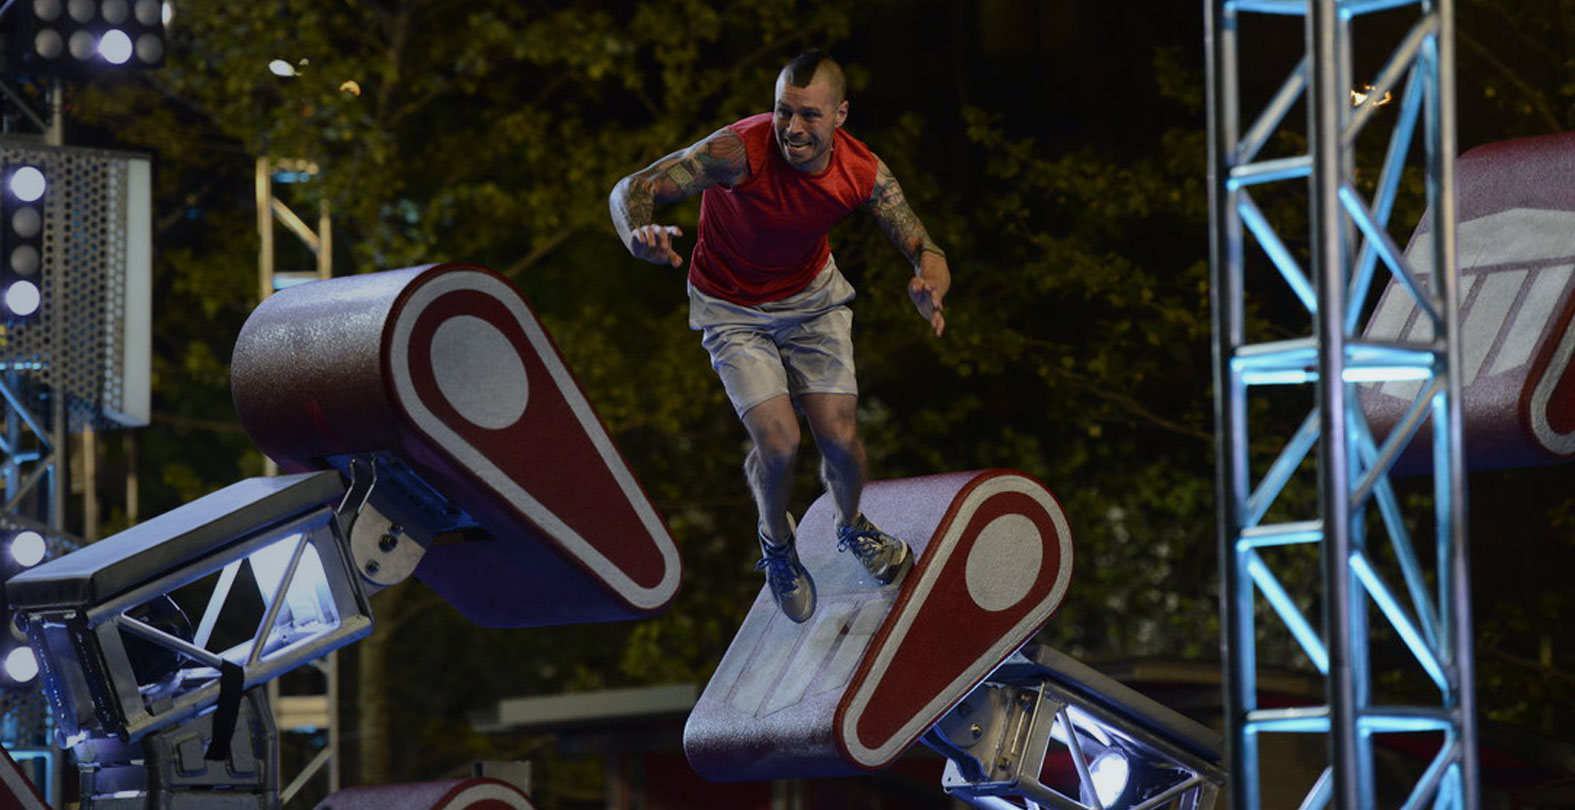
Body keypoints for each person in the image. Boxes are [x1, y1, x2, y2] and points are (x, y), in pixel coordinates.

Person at [608, 50, 951, 623]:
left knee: (840, 438)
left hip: (811, 300)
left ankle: (850, 526)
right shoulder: (736, 151)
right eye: (782, 111)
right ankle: (776, 543)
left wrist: (930, 281)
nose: (792, 129)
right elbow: (633, 187)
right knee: (780, 443)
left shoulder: (862, 171)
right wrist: (637, 233)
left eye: (809, 116)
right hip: (731, 306)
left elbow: (923, 243)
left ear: (840, 115)